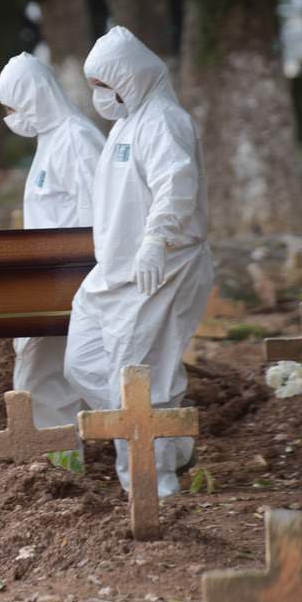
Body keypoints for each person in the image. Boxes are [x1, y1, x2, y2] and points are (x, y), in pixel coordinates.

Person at [64, 26, 213, 497]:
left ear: (130, 78)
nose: (100, 98)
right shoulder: (126, 124)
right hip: (113, 273)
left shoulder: (165, 120)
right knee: (83, 363)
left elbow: (177, 184)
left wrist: (156, 240)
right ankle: (166, 436)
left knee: (138, 375)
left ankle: (153, 488)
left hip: (161, 267)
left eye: (105, 86)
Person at [0, 53, 105, 433]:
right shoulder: (51, 139)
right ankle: (55, 464)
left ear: (35, 97)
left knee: (82, 369)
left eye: (14, 107)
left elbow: (98, 217)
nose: (11, 117)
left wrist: (79, 278)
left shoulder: (76, 139)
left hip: (73, 278)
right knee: (41, 374)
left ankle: (159, 444)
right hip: (48, 279)